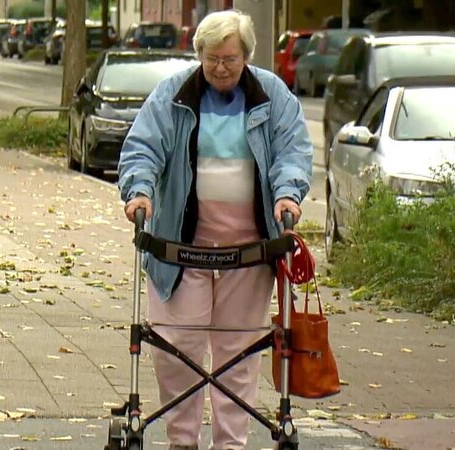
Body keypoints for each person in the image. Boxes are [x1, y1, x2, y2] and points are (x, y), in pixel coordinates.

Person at [118, 10, 312, 450]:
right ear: (199, 55)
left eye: (229, 59)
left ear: (247, 56)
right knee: (176, 348)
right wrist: (139, 190)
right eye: (211, 59)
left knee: (238, 354)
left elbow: (293, 152)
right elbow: (142, 148)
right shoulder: (173, 94)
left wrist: (288, 194)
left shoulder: (273, 96)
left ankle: (229, 444)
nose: (220, 68)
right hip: (179, 248)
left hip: (249, 251)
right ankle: (182, 440)